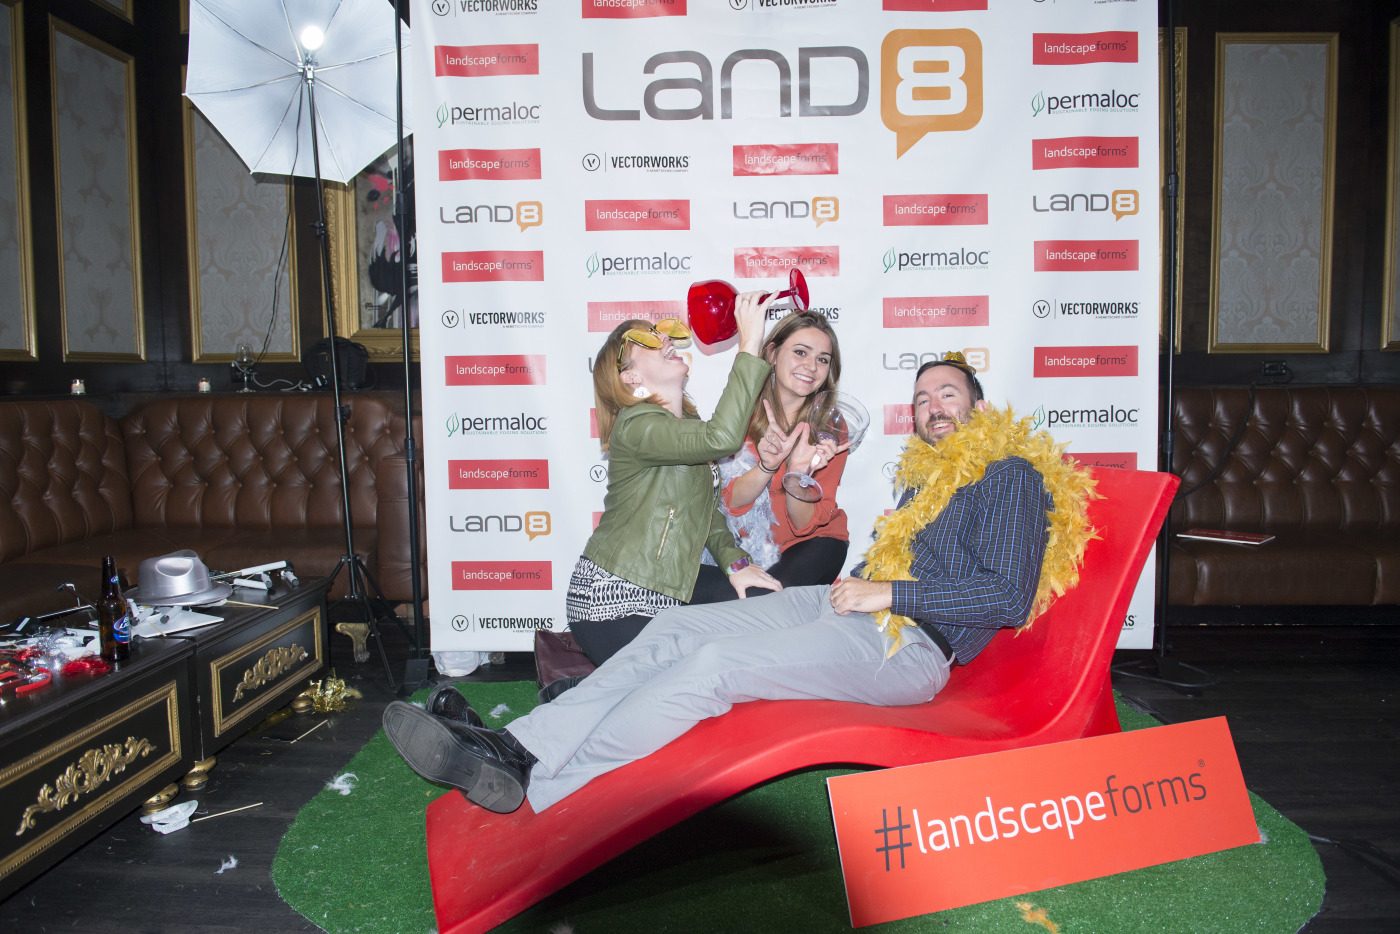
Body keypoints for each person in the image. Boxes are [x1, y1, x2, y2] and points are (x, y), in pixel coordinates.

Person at [383, 354, 1097, 815]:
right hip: (846, 609)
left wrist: (889, 595)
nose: (932, 405)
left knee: (714, 665)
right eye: (921, 398)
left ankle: (544, 788)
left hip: (908, 647)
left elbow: (1006, 597)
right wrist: (863, 583)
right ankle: (517, 747)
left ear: (980, 408)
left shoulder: (1010, 476)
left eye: (947, 393)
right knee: (674, 629)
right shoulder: (928, 478)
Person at [562, 293, 783, 668]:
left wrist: (736, 565)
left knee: (762, 602)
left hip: (671, 589)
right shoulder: (636, 425)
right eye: (646, 339)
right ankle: (570, 689)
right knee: (669, 689)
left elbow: (707, 513)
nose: (664, 338)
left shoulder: (687, 428)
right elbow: (722, 437)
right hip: (614, 598)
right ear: (631, 377)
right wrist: (748, 343)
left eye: (661, 332)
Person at [690, 311, 849, 602]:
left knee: (766, 602)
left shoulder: (830, 426)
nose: (811, 366)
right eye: (800, 352)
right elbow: (728, 504)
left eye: (823, 359)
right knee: (699, 593)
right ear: (773, 354)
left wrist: (797, 474)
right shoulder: (740, 412)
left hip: (812, 545)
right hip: (746, 549)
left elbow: (803, 525)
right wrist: (767, 466)